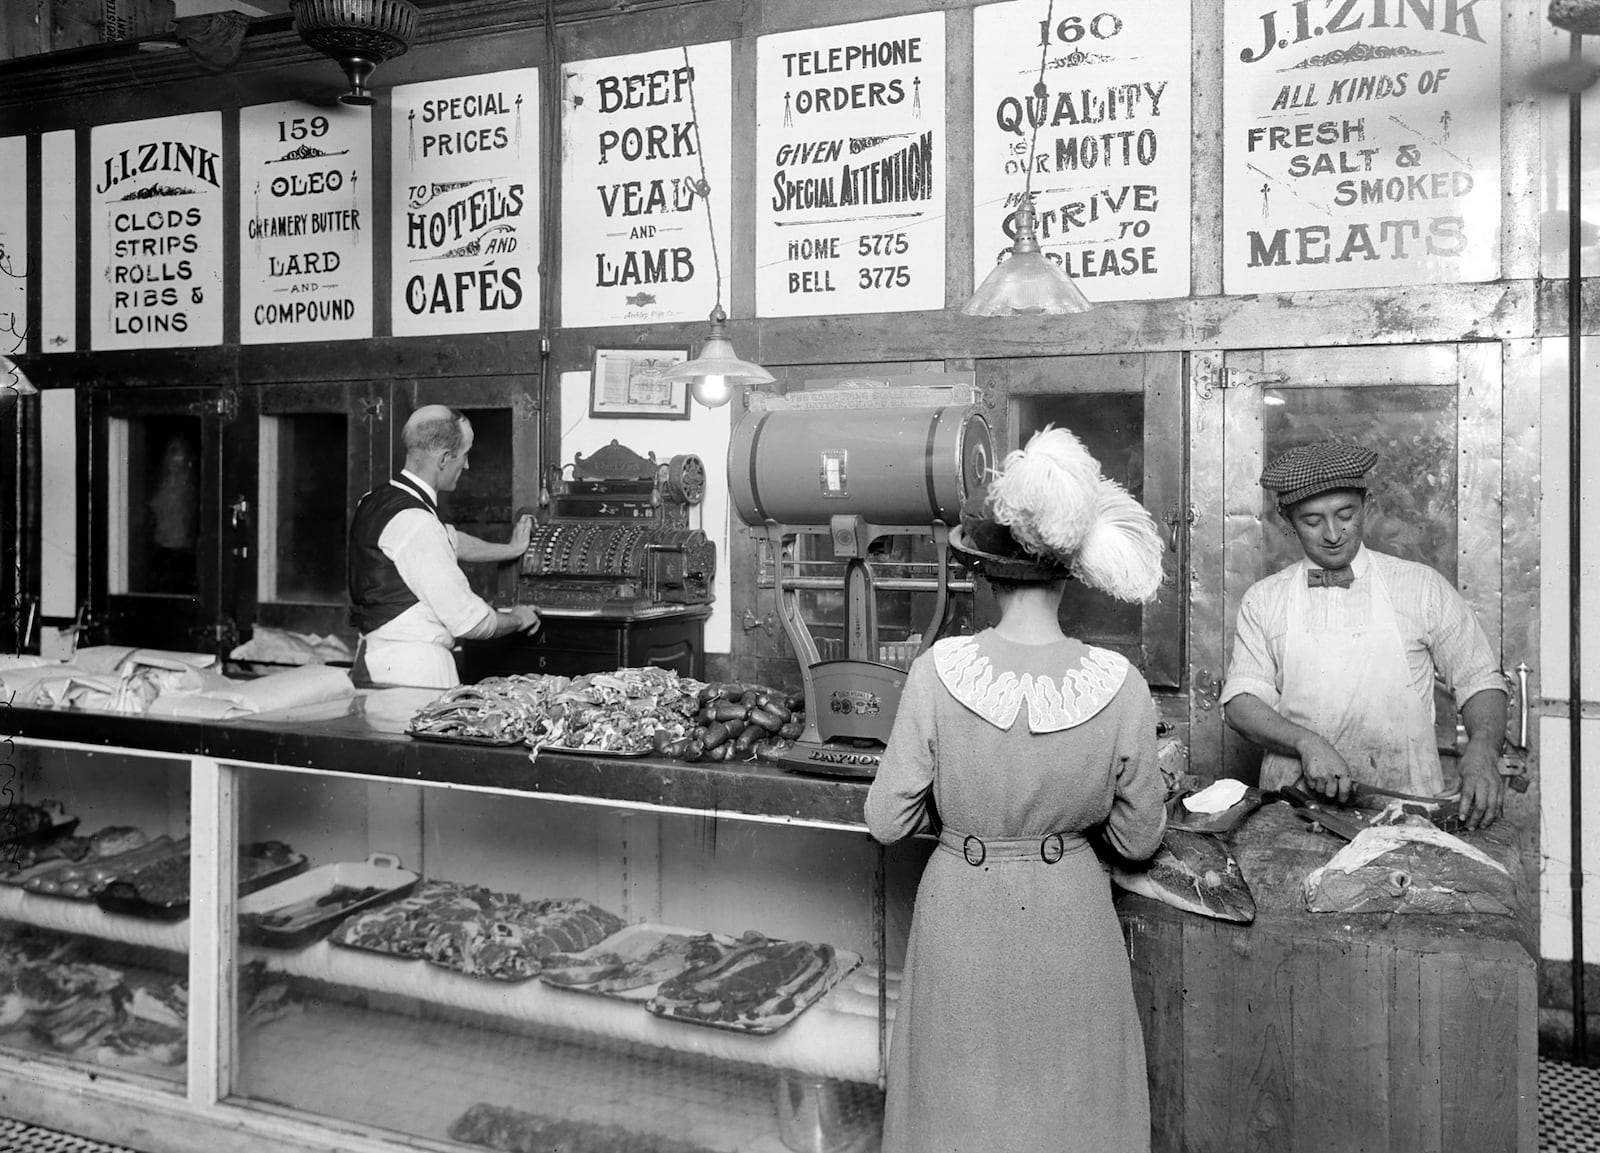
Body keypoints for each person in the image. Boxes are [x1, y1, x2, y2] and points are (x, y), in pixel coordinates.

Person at [864, 426, 1169, 1153]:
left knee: (958, 1115)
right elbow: (1138, 838)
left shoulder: (938, 671)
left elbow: (885, 820)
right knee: (1072, 1114)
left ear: (985, 577)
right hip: (1071, 921)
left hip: (960, 919)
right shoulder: (1120, 685)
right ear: (1071, 576)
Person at [1221, 437, 1507, 828]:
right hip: (1294, 811)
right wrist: (1306, 742)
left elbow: (1480, 681)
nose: (1333, 533)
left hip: (1407, 810)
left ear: (1367, 506)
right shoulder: (1264, 600)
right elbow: (1240, 703)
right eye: (1312, 520)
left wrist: (1484, 747)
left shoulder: (1422, 587)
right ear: (1287, 521)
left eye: (1345, 514)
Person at [347, 405, 540, 689]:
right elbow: (471, 622)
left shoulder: (377, 500)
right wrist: (518, 619)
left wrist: (510, 549)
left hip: (377, 661)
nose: (467, 465)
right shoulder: (418, 523)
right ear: (444, 458)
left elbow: (451, 540)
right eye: (464, 455)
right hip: (413, 673)